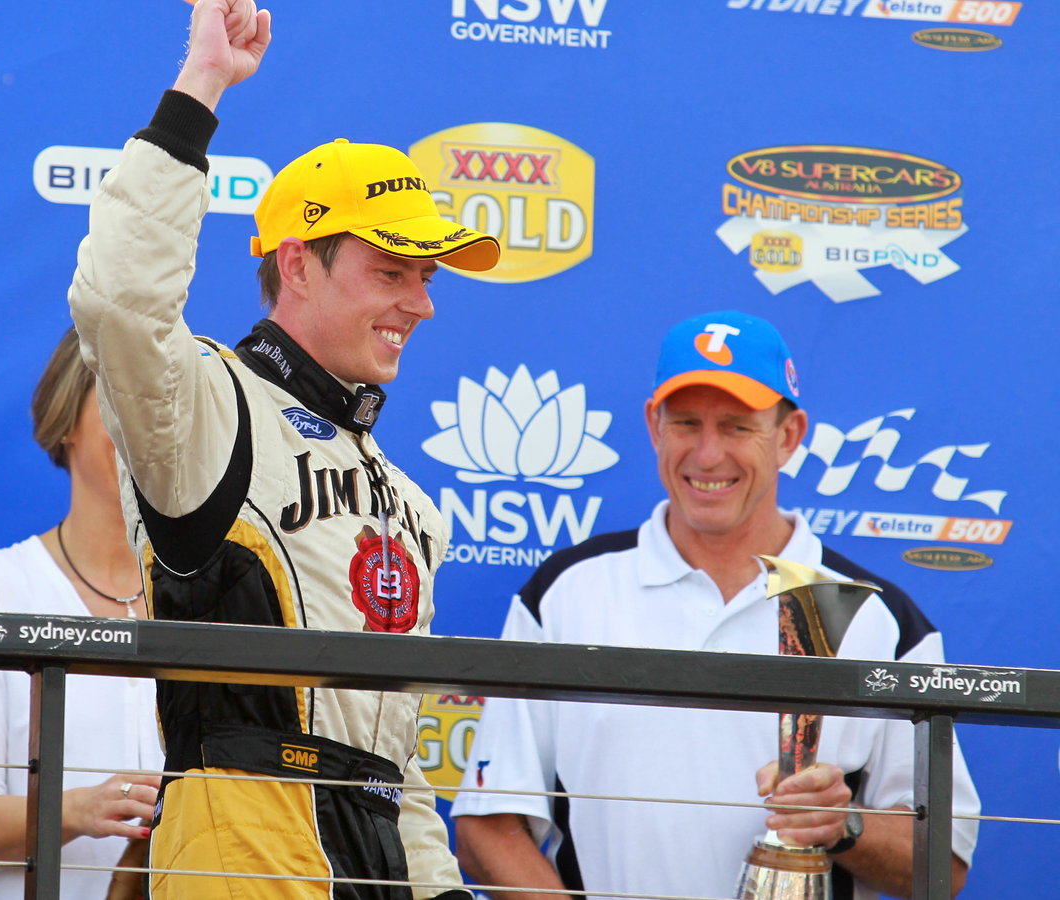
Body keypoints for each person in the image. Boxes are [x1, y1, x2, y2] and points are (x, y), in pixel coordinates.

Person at [66, 2, 501, 897]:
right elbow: (118, 304)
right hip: (242, 837)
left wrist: (439, 887)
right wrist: (202, 86)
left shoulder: (411, 504)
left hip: (375, 855)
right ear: (298, 265)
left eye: (425, 278)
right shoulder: (209, 405)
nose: (420, 305)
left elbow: (395, 758)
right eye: (391, 272)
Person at [451, 311, 980, 900]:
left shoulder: (881, 618)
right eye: (686, 423)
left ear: (788, 435)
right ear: (654, 425)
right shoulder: (564, 591)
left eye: (736, 427)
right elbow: (488, 825)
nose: (707, 455)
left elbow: (945, 865)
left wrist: (843, 825)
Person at [0, 327, 164, 899]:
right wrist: (80, 808)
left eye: (162, 405)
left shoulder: (227, 597)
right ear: (64, 420)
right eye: (120, 398)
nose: (144, 426)